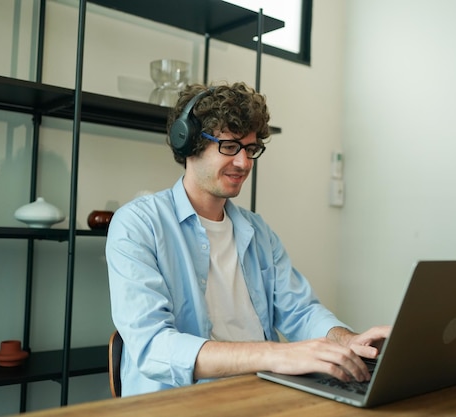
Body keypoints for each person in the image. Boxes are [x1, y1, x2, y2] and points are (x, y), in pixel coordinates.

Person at [106, 82, 391, 397]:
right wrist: (278, 354)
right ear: (189, 144)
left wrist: (347, 341)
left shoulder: (257, 231)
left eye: (251, 149)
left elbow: (301, 310)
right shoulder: (137, 225)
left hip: (259, 392)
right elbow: (154, 346)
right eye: (229, 147)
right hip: (180, 401)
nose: (244, 163)